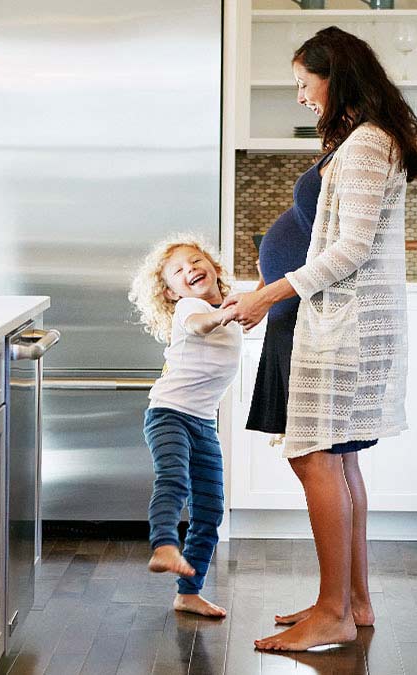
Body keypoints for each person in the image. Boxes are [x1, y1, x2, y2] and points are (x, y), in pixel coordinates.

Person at [224, 26, 417, 651]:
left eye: (304, 82)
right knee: (336, 460)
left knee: (316, 458)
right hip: (320, 319)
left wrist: (268, 295)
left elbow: (350, 250)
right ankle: (350, 602)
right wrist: (266, 291)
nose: (301, 96)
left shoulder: (366, 144)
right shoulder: (362, 138)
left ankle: (334, 611)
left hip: (335, 325)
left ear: (335, 76)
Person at [127, 235, 242, 618]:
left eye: (195, 260)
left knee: (210, 511)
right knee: (173, 479)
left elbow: (246, 308)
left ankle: (188, 593)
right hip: (168, 414)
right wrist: (222, 315)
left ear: (214, 267)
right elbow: (198, 326)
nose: (190, 269)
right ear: (171, 293)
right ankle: (163, 546)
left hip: (203, 422)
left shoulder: (228, 306)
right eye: (178, 271)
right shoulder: (190, 308)